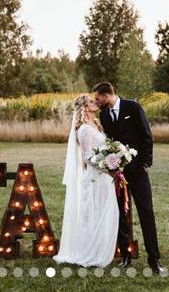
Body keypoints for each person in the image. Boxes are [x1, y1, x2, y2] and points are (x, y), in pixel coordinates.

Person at [94, 81, 163, 274]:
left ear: (107, 95)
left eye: (98, 99)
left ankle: (154, 259)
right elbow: (109, 142)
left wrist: (146, 163)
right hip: (118, 174)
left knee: (146, 212)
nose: (96, 102)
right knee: (121, 215)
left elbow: (146, 135)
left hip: (138, 172)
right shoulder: (104, 115)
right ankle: (125, 255)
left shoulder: (132, 107)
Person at [53, 93, 119, 267]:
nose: (95, 102)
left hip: (103, 176)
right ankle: (87, 251)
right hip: (93, 177)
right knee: (92, 213)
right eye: (91, 101)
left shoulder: (95, 125)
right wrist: (108, 167)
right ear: (84, 107)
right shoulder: (83, 129)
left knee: (101, 212)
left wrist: (113, 160)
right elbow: (88, 157)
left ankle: (98, 249)